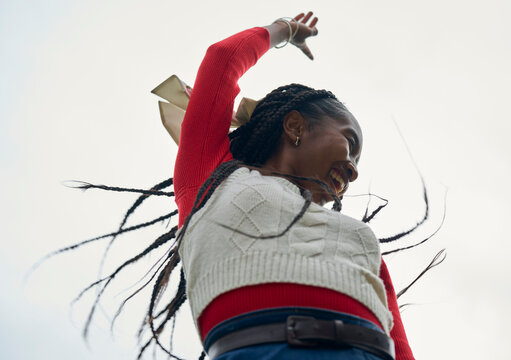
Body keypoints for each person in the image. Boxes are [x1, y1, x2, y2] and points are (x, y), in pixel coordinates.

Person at [171, 11, 416, 360]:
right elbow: (221, 60)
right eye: (350, 144)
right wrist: (282, 30)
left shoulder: (355, 236)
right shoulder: (212, 178)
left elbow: (401, 344)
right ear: (296, 126)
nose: (353, 171)